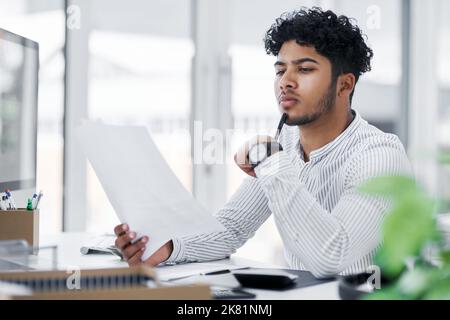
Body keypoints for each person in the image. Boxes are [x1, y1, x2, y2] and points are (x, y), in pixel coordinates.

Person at [114, 7, 411, 278]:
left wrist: (267, 157)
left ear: (344, 84)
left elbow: (332, 257)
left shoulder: (379, 155)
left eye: (305, 69)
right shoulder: (286, 144)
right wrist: (165, 249)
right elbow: (231, 229)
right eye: (281, 70)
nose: (286, 81)